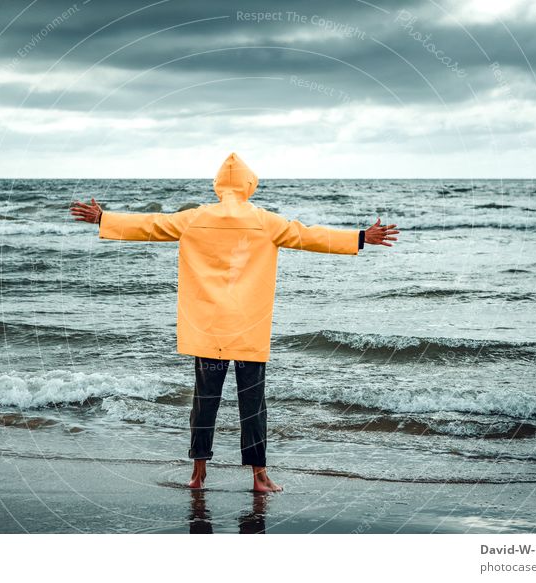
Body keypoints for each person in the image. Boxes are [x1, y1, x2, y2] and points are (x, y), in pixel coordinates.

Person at [70, 153, 399, 492]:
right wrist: (361, 237)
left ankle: (198, 475)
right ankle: (260, 477)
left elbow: (150, 224)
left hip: (208, 328)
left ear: (217, 187)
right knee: (253, 404)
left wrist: (103, 219)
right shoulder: (265, 221)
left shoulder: (193, 218)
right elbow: (308, 236)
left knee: (204, 401)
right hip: (248, 330)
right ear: (249, 186)